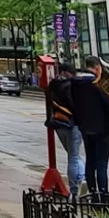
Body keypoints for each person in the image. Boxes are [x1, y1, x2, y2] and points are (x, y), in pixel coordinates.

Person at [70, 57, 109, 202]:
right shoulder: (98, 84)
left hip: (85, 128)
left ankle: (92, 194)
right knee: (101, 164)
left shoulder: (76, 83)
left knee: (90, 161)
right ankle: (103, 196)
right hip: (101, 129)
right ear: (97, 67)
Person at [45, 64, 81, 195]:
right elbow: (73, 104)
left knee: (73, 155)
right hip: (72, 123)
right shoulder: (70, 86)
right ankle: (75, 188)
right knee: (73, 157)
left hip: (58, 122)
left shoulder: (52, 85)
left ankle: (80, 182)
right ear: (67, 73)